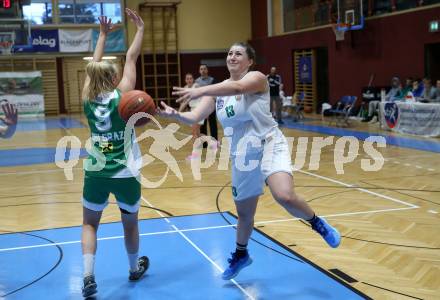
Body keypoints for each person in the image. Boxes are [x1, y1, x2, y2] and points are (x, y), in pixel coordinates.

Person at [159, 42, 341, 280]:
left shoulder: (257, 78)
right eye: (230, 53)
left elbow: (237, 88)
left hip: (268, 144)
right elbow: (196, 116)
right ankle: (241, 254)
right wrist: (176, 115)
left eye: (238, 53)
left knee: (284, 195)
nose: (232, 56)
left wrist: (201, 90)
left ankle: (317, 223)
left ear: (249, 61)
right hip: (242, 156)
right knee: (244, 214)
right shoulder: (219, 90)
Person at [80, 10, 148, 298]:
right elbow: (131, 58)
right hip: (126, 171)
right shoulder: (125, 96)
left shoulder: (86, 98)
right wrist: (140, 29)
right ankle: (133, 269)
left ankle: (87, 275)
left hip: (96, 171)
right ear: (113, 77)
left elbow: (93, 66)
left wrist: (103, 35)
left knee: (89, 224)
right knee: (129, 223)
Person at [178, 73, 204, 159]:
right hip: (193, 110)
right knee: (197, 133)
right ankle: (213, 142)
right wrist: (178, 113)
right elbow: (184, 102)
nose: (189, 80)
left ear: (193, 79)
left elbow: (204, 96)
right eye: (187, 79)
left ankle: (195, 155)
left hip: (199, 110)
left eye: (190, 78)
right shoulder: (185, 88)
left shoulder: (196, 86)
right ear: (185, 80)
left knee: (193, 133)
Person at [195, 64, 218, 146]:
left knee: (213, 125)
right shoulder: (196, 82)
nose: (203, 70)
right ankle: (204, 143)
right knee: (202, 125)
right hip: (202, 107)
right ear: (199, 71)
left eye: (204, 69)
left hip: (211, 106)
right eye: (201, 69)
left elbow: (215, 93)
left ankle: (214, 142)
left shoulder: (213, 80)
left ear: (207, 70)